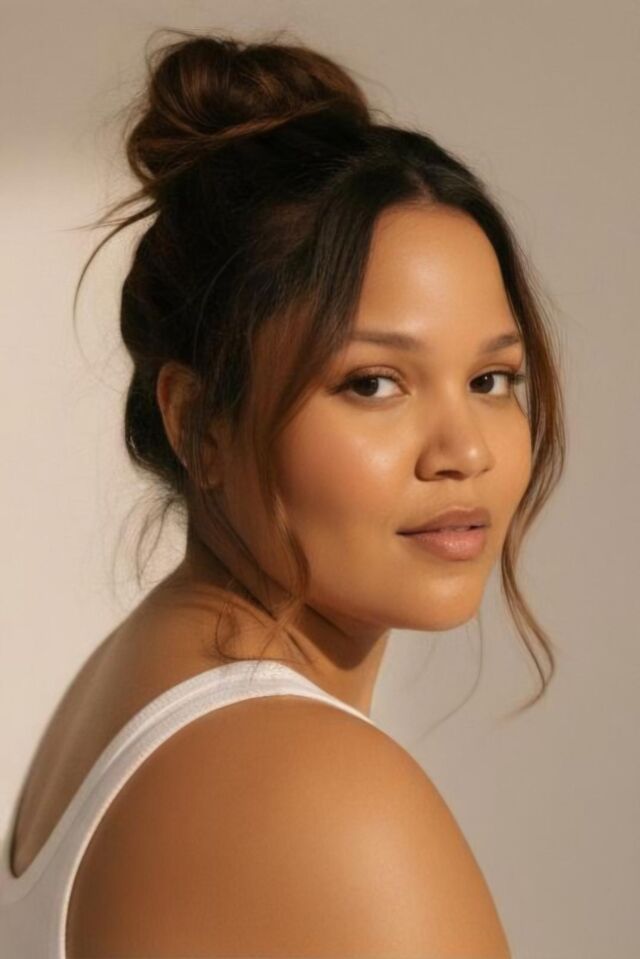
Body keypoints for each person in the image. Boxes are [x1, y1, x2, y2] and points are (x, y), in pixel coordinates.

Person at [0, 27, 565, 958]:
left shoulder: (134, 684)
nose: (464, 451)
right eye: (373, 383)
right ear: (199, 421)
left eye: (491, 379)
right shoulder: (320, 788)